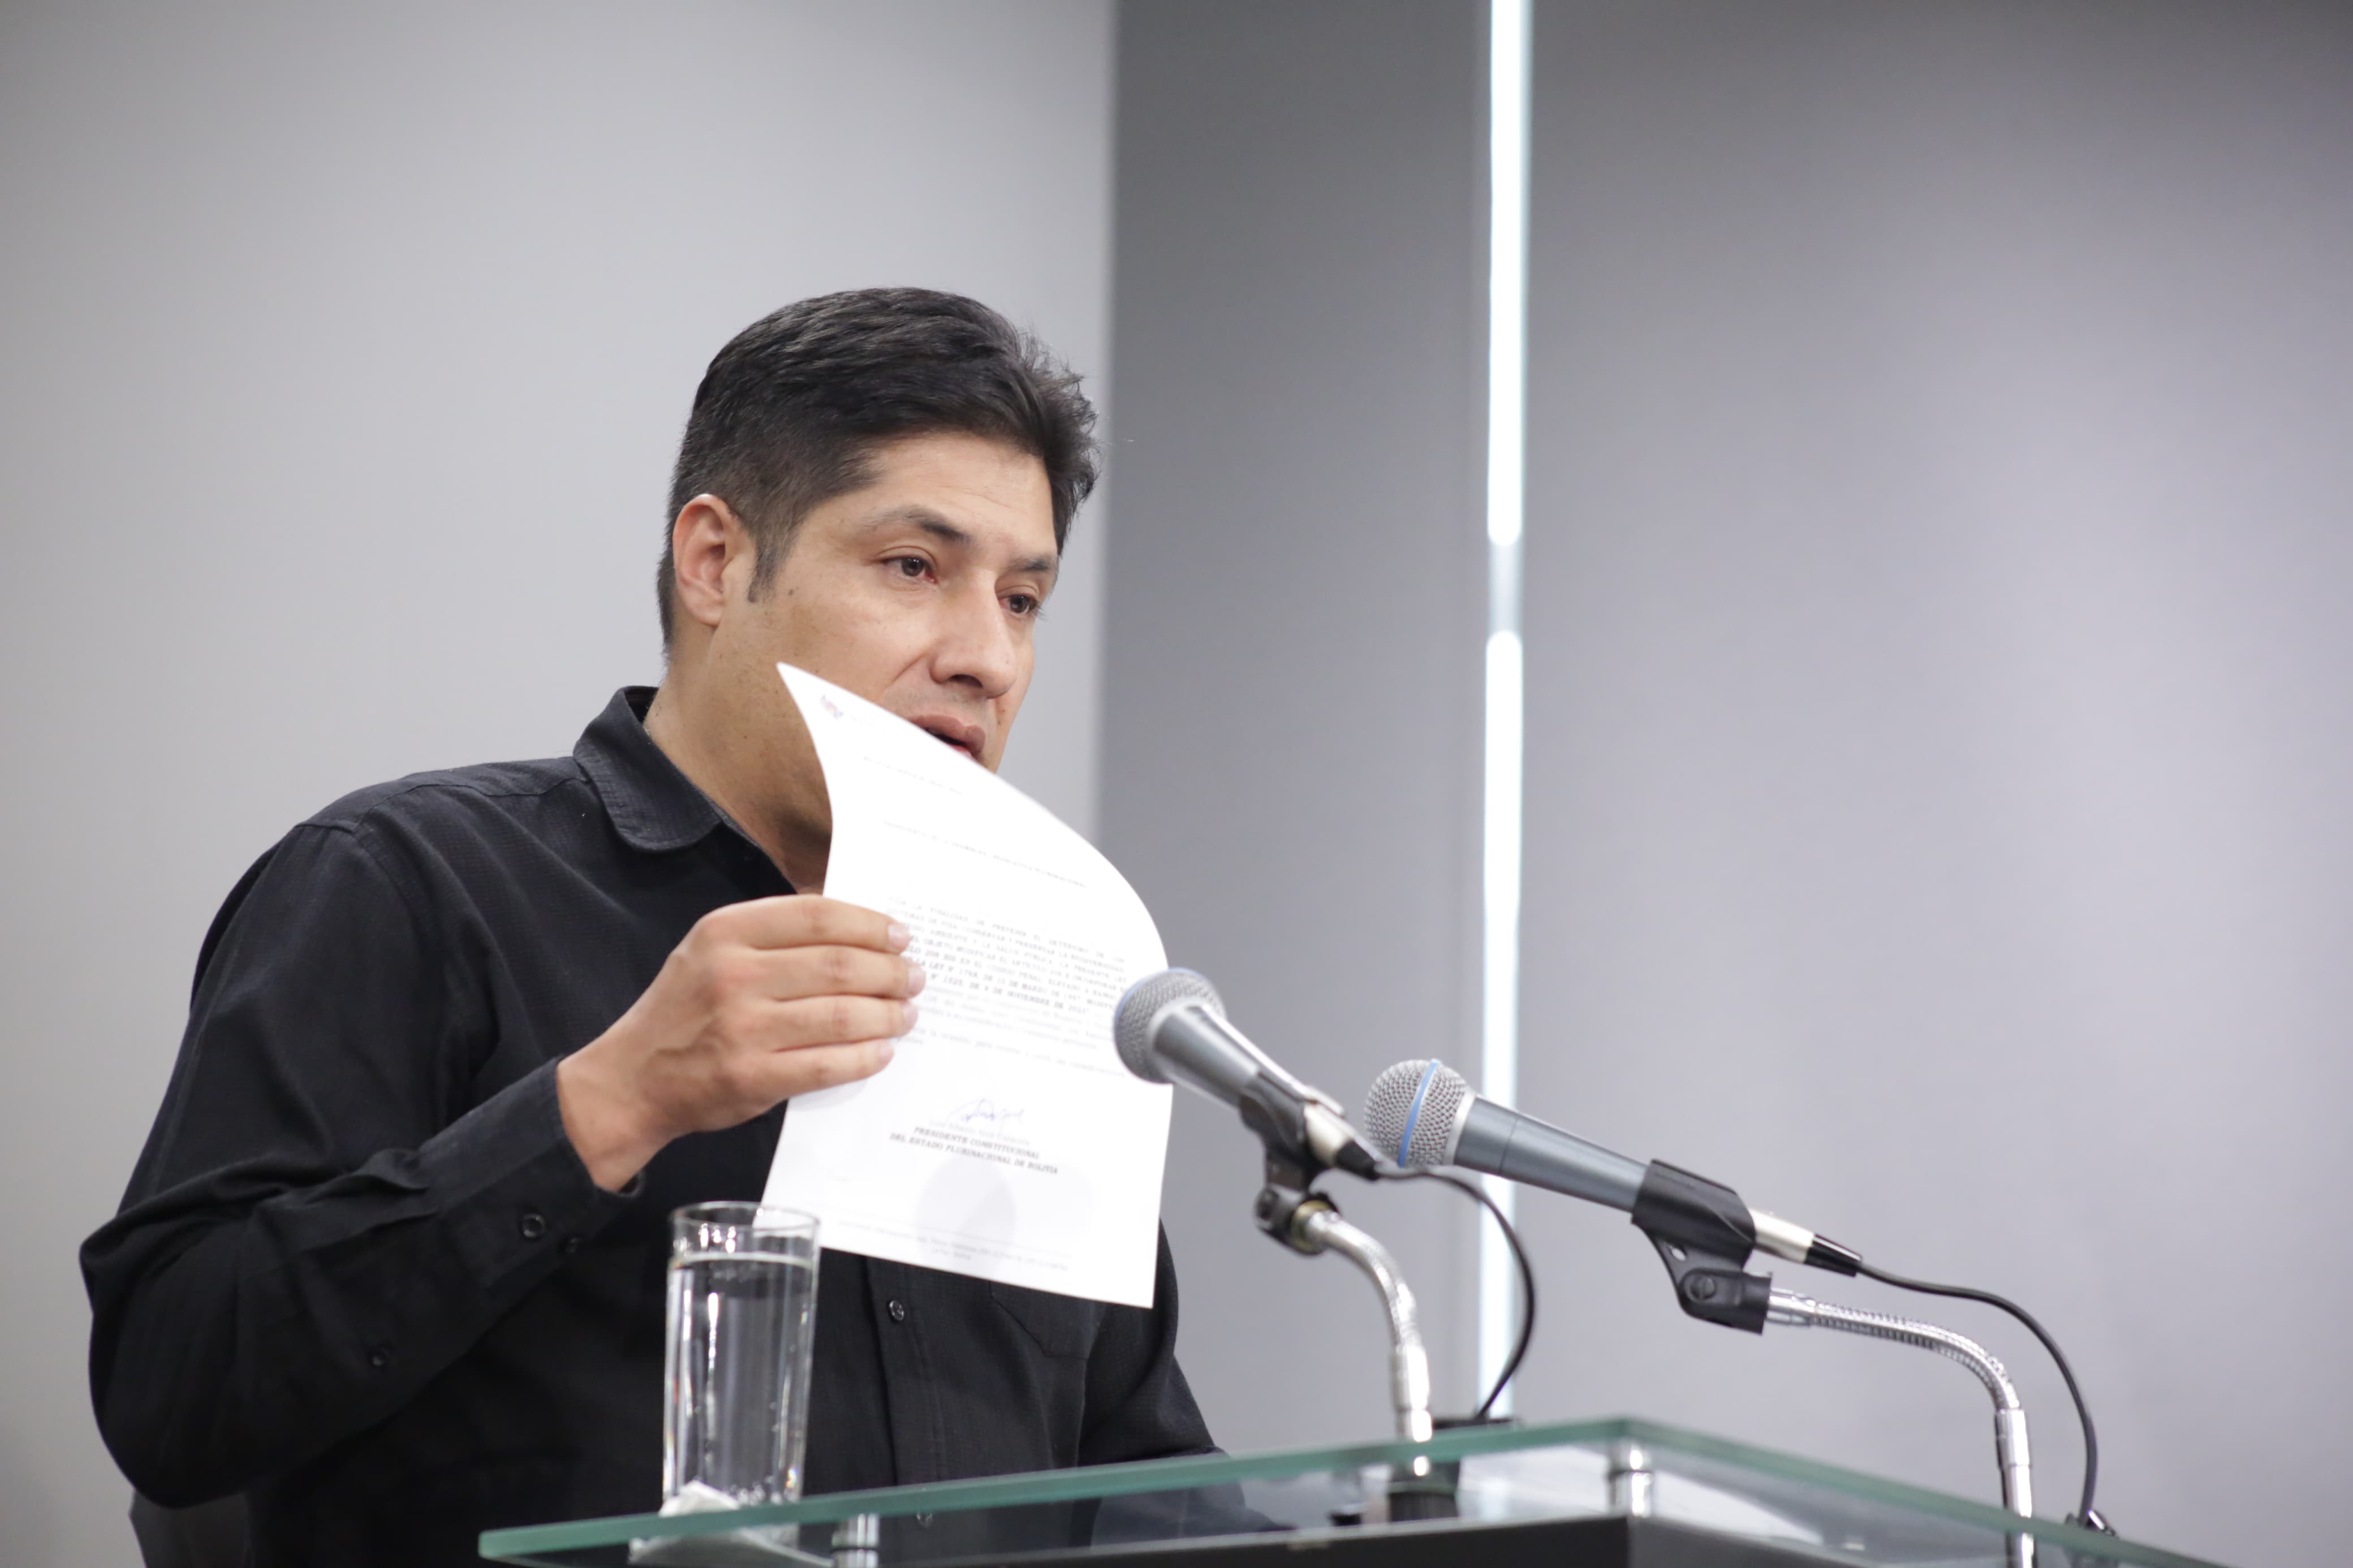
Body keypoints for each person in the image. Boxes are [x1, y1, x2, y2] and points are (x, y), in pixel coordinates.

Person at [81, 289, 1214, 1567]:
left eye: (1021, 598)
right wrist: (609, 1102)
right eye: (914, 567)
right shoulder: (408, 880)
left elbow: (1144, 1478)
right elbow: (172, 1389)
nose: (987, 659)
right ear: (715, 561)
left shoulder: (1041, 979)